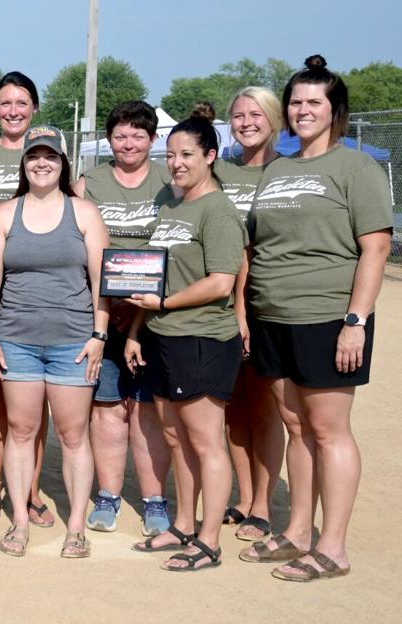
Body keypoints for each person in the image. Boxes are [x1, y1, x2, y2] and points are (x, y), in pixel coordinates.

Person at [239, 55, 393, 582]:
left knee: (329, 431)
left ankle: (334, 546)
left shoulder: (356, 168)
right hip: (272, 315)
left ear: (335, 111)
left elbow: (375, 247)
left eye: (314, 102)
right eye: (296, 102)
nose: (303, 110)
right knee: (295, 425)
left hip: (327, 315)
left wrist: (357, 319)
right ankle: (299, 531)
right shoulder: (278, 169)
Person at [126, 107, 246, 571]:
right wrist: (138, 329)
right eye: (171, 154)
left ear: (210, 156)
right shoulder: (174, 206)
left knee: (205, 441)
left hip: (203, 339)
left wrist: (164, 307)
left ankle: (209, 541)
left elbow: (221, 282)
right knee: (175, 438)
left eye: (188, 154)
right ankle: (183, 525)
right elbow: (156, 277)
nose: (177, 163)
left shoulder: (218, 210)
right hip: (162, 336)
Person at [0, 126, 109, 559]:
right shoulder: (4, 214)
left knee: (74, 436)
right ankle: (18, 520)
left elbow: (100, 283)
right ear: (24, 162)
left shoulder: (84, 213)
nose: (42, 163)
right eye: (34, 155)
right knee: (20, 431)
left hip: (73, 343)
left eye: (50, 156)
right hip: (17, 341)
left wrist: (99, 335)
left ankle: (75, 529)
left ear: (62, 162)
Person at [72, 101, 174, 536]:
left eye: (138, 135)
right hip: (103, 312)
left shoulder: (171, 182)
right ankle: (109, 495)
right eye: (120, 135)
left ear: (153, 140)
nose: (128, 143)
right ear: (108, 139)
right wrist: (110, 305)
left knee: (149, 411)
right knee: (108, 407)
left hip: (158, 313)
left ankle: (154, 500)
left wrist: (141, 304)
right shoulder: (90, 182)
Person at [0, 71, 54, 527]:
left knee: (33, 398)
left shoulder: (54, 157)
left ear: (35, 108)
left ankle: (31, 490)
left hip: (35, 294)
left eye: (22, 102)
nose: (13, 111)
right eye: (5, 103)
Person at [212, 88, 285, 542]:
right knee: (232, 408)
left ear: (273, 119)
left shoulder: (287, 172)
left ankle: (263, 502)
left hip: (267, 302)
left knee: (264, 408)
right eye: (238, 115)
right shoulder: (220, 171)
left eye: (256, 114)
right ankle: (242, 498)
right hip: (221, 303)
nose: (246, 122)